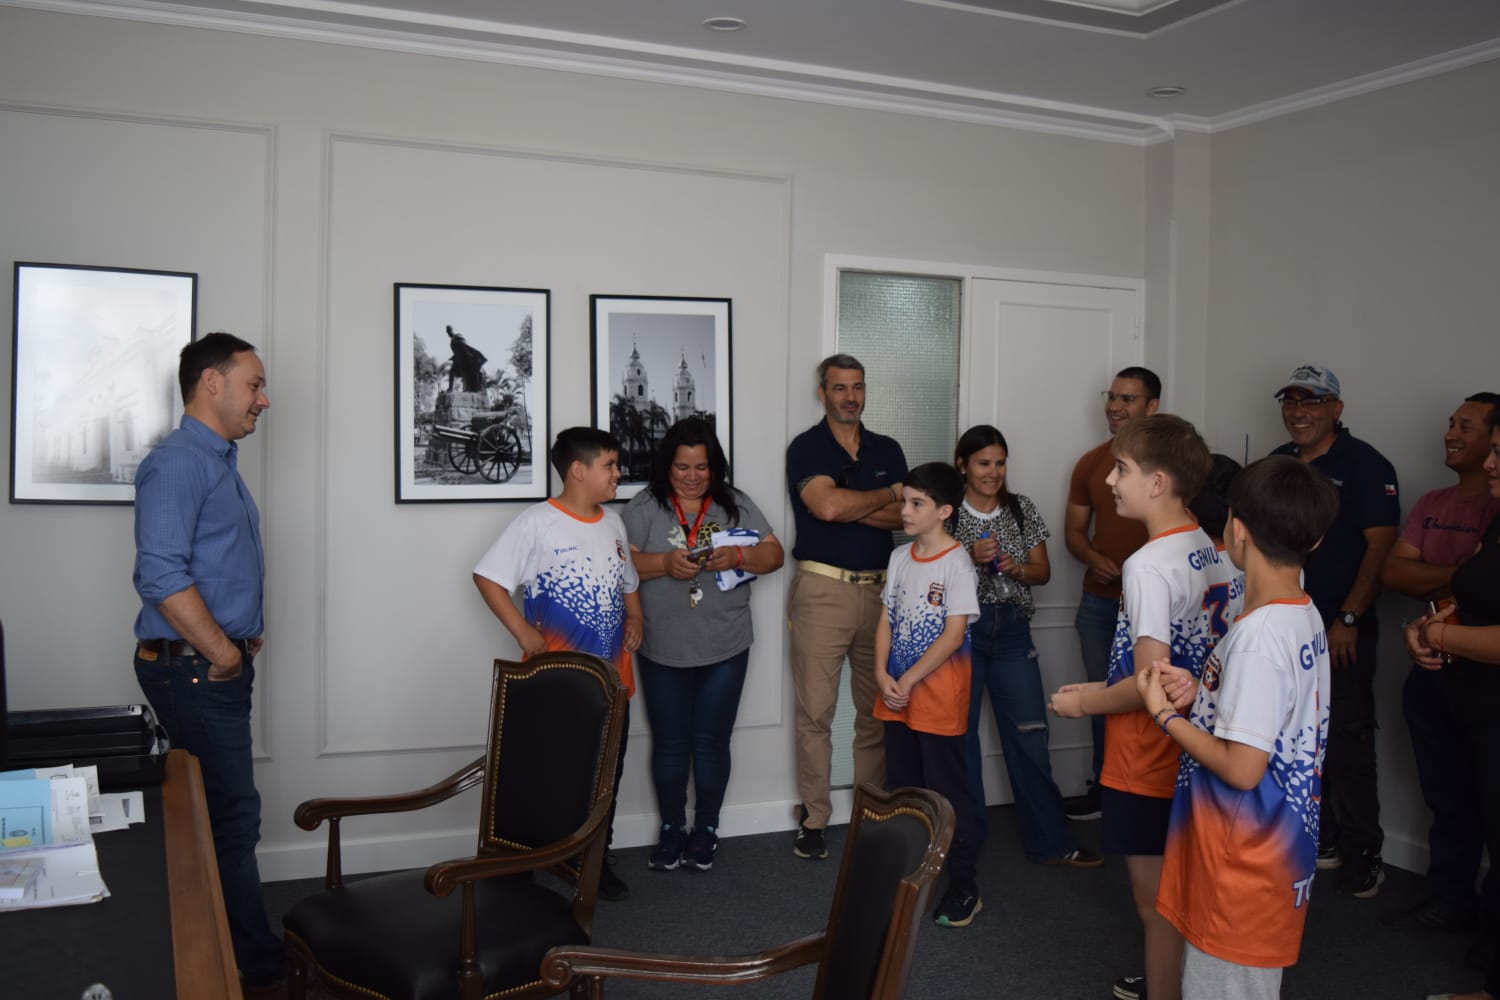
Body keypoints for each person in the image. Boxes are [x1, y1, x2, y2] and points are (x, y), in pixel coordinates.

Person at [1142, 455, 1340, 1000]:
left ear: (1237, 529)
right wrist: (1202, 690)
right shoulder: (1302, 611)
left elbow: (1243, 767)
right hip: (1264, 854)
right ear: (1316, 540)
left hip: (1241, 864)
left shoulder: (1259, 637)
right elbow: (1271, 715)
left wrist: (1164, 715)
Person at [132, 332, 284, 996]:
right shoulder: (180, 463)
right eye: (254, 385)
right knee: (229, 817)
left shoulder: (218, 461)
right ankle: (251, 969)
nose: (265, 400)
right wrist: (222, 649)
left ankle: (231, 956)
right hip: (195, 668)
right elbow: (160, 575)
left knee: (221, 815)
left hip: (209, 663)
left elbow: (215, 561)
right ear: (211, 383)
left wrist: (242, 632)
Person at [1049, 414, 1216, 1000]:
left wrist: (1087, 700)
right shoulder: (1214, 548)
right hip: (1199, 753)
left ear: (1158, 482)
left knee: (1157, 908)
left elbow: (1150, 681)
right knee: (1190, 895)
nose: (1111, 482)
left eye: (1122, 469)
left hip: (1146, 758)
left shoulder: (1148, 564)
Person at [472, 426, 643, 900]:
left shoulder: (613, 522)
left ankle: (592, 857)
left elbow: (627, 579)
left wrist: (636, 615)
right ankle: (519, 859)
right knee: (546, 768)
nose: (617, 473)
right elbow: (488, 577)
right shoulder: (536, 522)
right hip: (555, 679)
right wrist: (522, 631)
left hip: (613, 679)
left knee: (606, 770)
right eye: (609, 465)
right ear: (578, 470)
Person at [622, 418, 785, 872]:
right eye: (682, 467)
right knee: (671, 743)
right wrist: (664, 564)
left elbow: (775, 554)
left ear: (715, 468)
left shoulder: (737, 504)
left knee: (712, 742)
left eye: (701, 467)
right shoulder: (644, 507)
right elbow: (623, 564)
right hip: (661, 645)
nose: (692, 476)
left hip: (726, 644)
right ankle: (672, 828)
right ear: (666, 467)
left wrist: (739, 556)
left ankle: (707, 828)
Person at [1270, 365, 1399, 898]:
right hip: (1281, 627)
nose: (1299, 412)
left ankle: (1364, 849)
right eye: (1292, 402)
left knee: (1347, 738)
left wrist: (1347, 617)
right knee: (1292, 739)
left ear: (1336, 410)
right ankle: (1316, 837)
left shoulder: (1366, 464)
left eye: (1312, 402)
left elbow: (1380, 545)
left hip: (1339, 631)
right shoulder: (1278, 462)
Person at [947, 425, 1102, 869]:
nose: (993, 472)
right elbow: (931, 573)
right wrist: (966, 557)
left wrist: (1015, 568)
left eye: (999, 463)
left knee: (1031, 736)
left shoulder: (1020, 508)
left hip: (1013, 631)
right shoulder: (947, 512)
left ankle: (1050, 841)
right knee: (961, 743)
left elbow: (1044, 573)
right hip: (963, 634)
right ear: (963, 465)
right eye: (983, 463)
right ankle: (964, 849)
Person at [1382, 393, 1500, 933]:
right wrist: (1435, 621)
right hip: (1436, 674)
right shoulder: (1435, 501)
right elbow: (1395, 575)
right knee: (1446, 796)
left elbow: (1453, 587)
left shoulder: (1494, 510)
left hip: (1484, 686)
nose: (1451, 433)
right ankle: (1449, 900)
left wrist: (1437, 621)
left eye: (1469, 428)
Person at [785, 354, 908, 860]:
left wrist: (855, 502)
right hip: (822, 591)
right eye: (839, 388)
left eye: (857, 387)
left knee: (874, 712)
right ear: (823, 393)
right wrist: (882, 494)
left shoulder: (887, 448)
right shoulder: (806, 447)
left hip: (881, 593)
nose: (850, 397)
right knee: (816, 713)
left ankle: (870, 815)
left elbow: (905, 517)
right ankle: (814, 819)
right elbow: (826, 507)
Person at [1411, 406, 1500, 1000]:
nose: (1488, 463)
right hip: (1471, 699)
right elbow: (1476, 595)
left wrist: (1441, 635)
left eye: (1498, 455)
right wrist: (1429, 626)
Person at [873, 462, 982, 926]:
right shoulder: (899, 559)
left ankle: (963, 885)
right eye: (905, 501)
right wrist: (882, 674)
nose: (905, 511)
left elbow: (953, 635)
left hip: (936, 699)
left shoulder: (957, 561)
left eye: (917, 504)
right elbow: (885, 623)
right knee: (905, 789)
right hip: (896, 696)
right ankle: (911, 876)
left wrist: (910, 679)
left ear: (944, 511)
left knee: (946, 793)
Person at [1063, 366, 1161, 821]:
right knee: (1106, 698)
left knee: (1156, 696)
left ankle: (1147, 793)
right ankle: (1105, 788)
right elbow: (1074, 532)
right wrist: (1091, 557)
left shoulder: (1170, 464)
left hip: (1156, 609)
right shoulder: (1091, 462)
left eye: (1128, 399)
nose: (1116, 407)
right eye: (1113, 397)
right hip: (1101, 603)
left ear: (1151, 407)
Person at [446, 325, 488, 393]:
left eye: (448, 330)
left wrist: (467, 353)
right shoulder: (452, 340)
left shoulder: (457, 336)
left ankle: (474, 388)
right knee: (452, 371)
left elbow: (464, 345)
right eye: (447, 331)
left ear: (451, 330)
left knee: (469, 372)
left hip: (464, 357)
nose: (447, 332)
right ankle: (450, 388)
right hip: (458, 358)